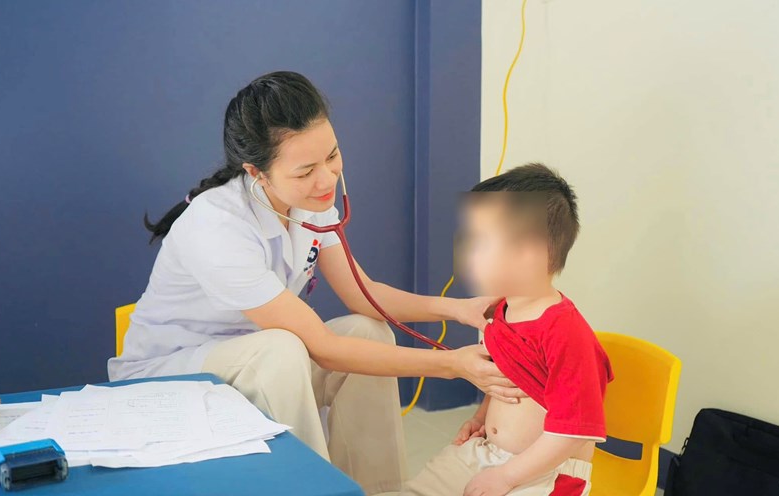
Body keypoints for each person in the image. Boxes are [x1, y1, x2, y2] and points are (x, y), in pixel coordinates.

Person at [107, 71, 523, 495]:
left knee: (368, 331)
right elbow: (322, 347)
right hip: (170, 375)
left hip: (261, 365)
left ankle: (379, 489)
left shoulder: (308, 202)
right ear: (256, 172)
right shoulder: (217, 226)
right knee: (282, 347)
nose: (326, 180)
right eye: (305, 171)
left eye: (332, 156)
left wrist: (458, 309)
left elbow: (365, 296)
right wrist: (453, 365)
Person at [401, 164, 614, 496]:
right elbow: (506, 378)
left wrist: (506, 477)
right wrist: (481, 418)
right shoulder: (504, 311)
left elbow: (573, 431)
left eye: (480, 242)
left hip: (546, 472)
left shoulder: (566, 333)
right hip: (489, 452)